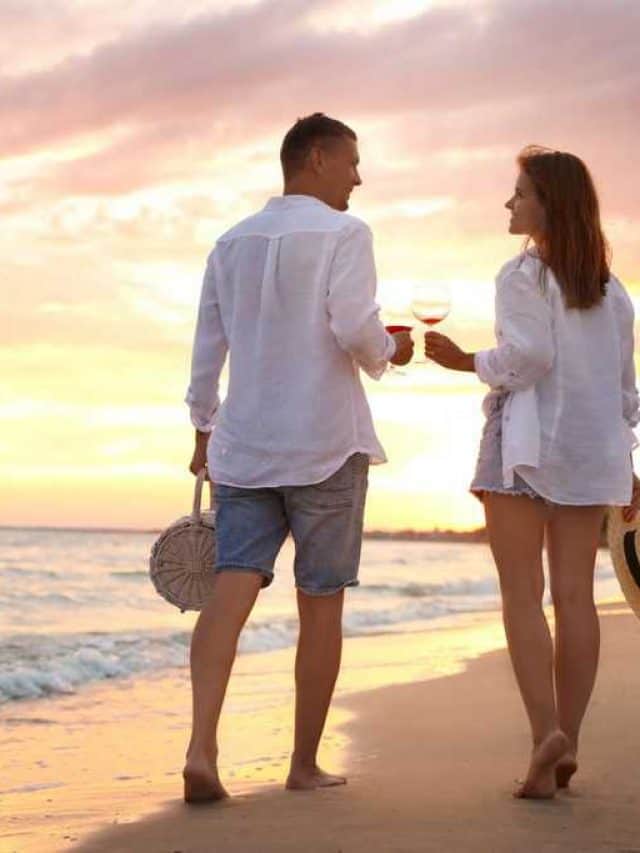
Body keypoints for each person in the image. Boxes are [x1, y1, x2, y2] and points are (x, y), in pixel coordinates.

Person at [182, 113, 413, 803]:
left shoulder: (229, 241)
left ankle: (200, 748)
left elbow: (207, 348)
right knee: (321, 602)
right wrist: (388, 352)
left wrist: (202, 426)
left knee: (230, 589)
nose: (359, 176)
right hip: (324, 442)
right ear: (315, 158)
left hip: (244, 444)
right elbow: (353, 325)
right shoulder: (347, 233)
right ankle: (303, 763)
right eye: (351, 161)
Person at [424, 146, 640, 799]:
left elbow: (530, 356)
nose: (510, 203)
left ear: (548, 204)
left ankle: (544, 732)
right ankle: (565, 740)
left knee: (522, 593)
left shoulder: (522, 276)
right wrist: (627, 464)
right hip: (590, 451)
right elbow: (627, 391)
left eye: (519, 193)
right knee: (575, 596)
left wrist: (466, 361)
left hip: (524, 445)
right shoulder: (614, 292)